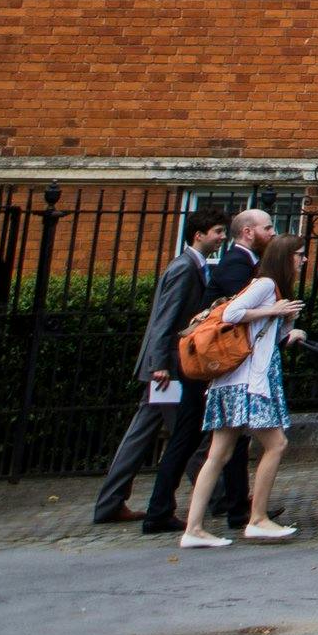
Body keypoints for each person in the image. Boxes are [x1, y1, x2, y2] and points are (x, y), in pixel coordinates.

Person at [91, 207, 230, 526]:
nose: (222, 238)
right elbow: (164, 320)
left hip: (167, 365)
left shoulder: (194, 266)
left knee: (143, 433)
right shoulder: (184, 268)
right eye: (218, 232)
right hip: (167, 368)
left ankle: (110, 503)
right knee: (186, 433)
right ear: (199, 234)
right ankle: (217, 497)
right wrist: (159, 365)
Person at [181, 231, 310, 548]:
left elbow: (268, 337)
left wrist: (289, 324)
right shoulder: (264, 284)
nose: (303, 260)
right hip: (248, 383)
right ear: (285, 257)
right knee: (276, 444)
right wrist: (273, 310)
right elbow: (231, 313)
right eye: (299, 254)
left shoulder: (273, 289)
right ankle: (258, 519)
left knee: (218, 454)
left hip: (232, 383)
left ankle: (193, 529)